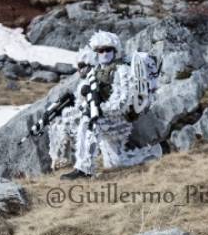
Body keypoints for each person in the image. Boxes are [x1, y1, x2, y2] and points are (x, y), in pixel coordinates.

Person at [60, 31, 162, 180]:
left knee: (89, 124)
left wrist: (100, 110)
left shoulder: (122, 70)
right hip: (104, 118)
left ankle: (84, 170)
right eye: (101, 50)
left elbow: (122, 101)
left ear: (115, 50)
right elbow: (82, 99)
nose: (105, 53)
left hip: (120, 121)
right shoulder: (94, 72)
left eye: (109, 49)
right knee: (116, 164)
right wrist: (84, 100)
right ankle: (154, 153)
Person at [47, 47, 96, 169]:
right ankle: (63, 158)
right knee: (58, 124)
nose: (79, 69)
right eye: (78, 66)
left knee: (63, 124)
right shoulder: (85, 81)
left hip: (89, 117)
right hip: (80, 115)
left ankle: (67, 159)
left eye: (82, 65)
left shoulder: (92, 81)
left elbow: (91, 102)